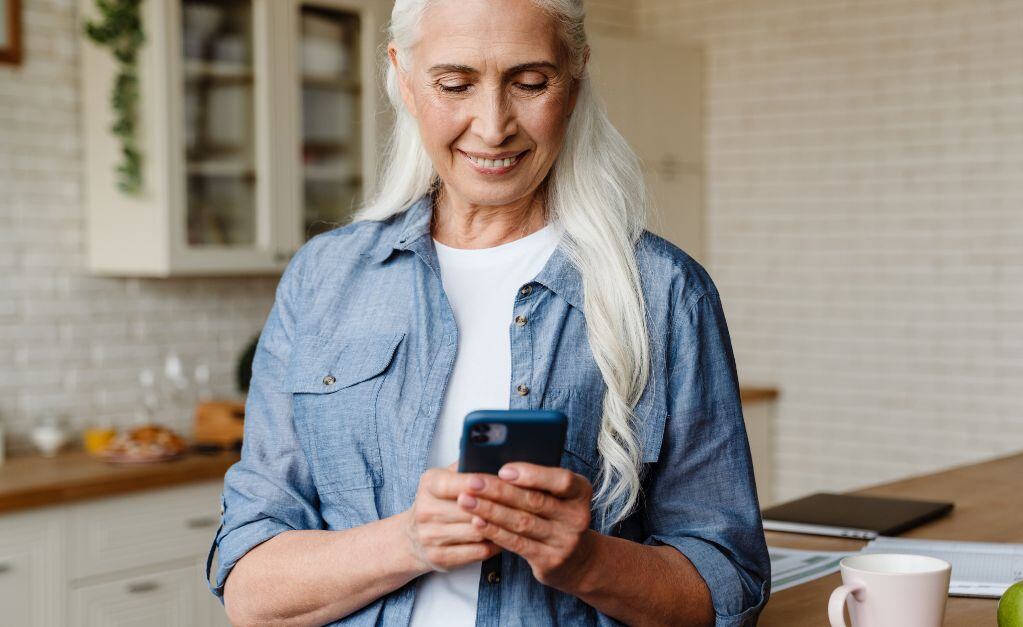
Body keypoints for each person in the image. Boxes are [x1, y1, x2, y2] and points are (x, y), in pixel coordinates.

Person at [206, 0, 769, 624]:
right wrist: (409, 541)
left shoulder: (664, 293)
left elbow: (726, 585)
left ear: (577, 71)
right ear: (405, 76)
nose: (493, 125)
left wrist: (586, 562)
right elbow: (252, 591)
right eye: (455, 84)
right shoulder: (324, 279)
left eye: (531, 83)